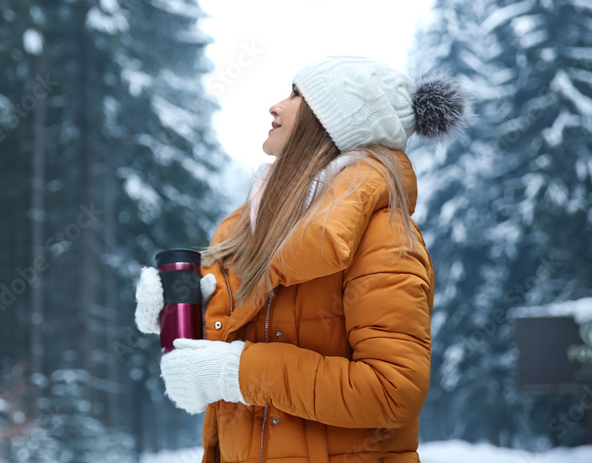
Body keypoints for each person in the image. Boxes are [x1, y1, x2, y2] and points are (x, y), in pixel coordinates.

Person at [134, 55, 469, 463]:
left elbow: (391, 391)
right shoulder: (248, 229)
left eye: (296, 95)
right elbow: (263, 341)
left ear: (335, 121)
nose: (275, 106)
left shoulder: (385, 236)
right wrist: (192, 315)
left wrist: (236, 371)